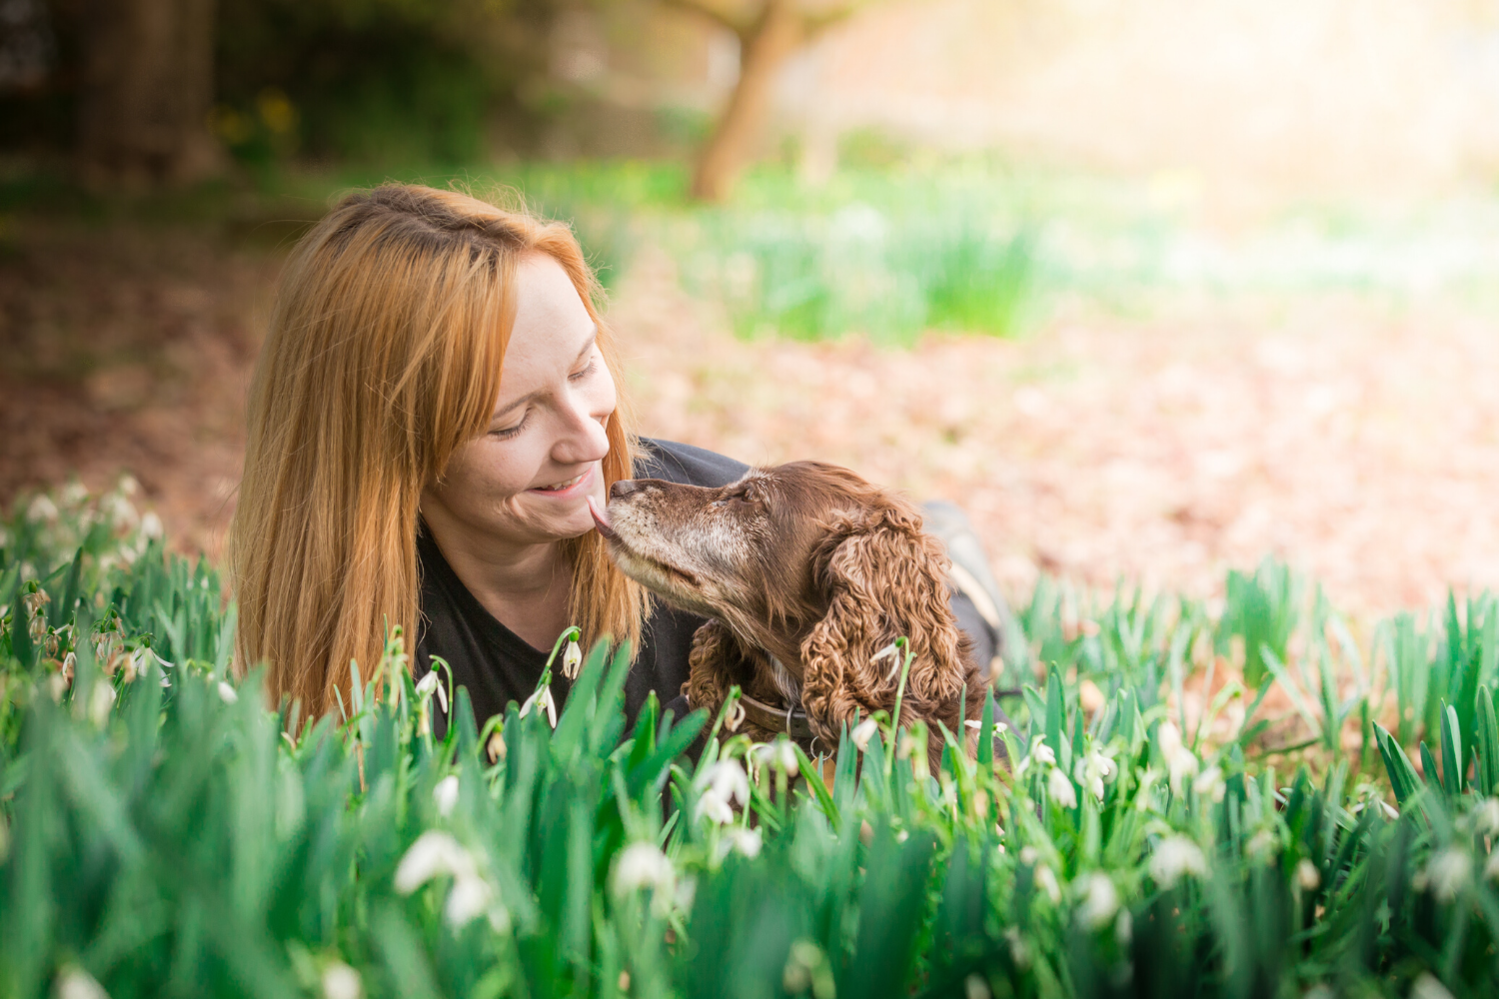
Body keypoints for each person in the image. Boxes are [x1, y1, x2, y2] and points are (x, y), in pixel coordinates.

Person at [230, 183, 1018, 736]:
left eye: (582, 368)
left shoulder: (708, 523)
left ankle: (963, 558)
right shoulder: (371, 641)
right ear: (394, 458)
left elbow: (912, 710)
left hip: (910, 603)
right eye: (510, 421)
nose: (589, 438)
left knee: (951, 618)